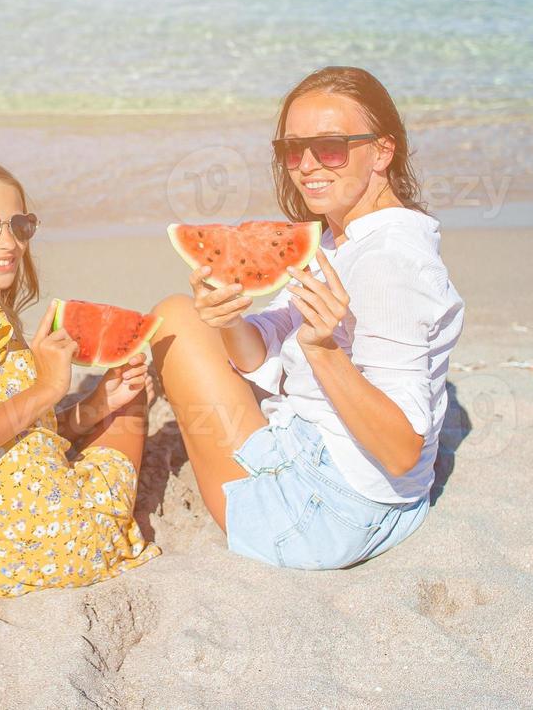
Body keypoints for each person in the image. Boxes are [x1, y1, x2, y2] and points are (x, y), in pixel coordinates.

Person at [151, 66, 464, 570]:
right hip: (370, 498)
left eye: (332, 146)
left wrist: (323, 352)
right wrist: (229, 317)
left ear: (382, 151)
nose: (308, 165)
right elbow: (263, 347)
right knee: (196, 318)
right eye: (293, 150)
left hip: (319, 515)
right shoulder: (347, 240)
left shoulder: (389, 264)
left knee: (172, 319)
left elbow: (402, 449)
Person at [0, 155, 159, 596]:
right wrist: (49, 386)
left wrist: (96, 407)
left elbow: (14, 435)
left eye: (20, 226)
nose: (8, 242)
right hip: (59, 547)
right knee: (138, 399)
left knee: (119, 395)